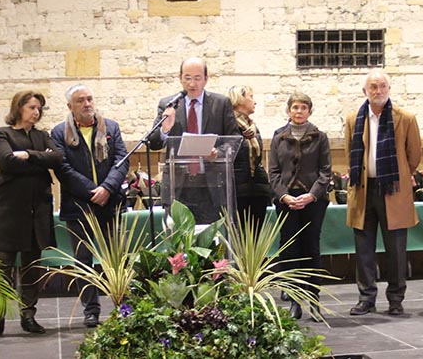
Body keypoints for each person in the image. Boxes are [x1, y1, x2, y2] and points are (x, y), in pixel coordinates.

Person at [0, 91, 63, 339]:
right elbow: (7, 162)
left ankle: (28, 316)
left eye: (39, 108)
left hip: (37, 211)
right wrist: (40, 163)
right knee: (3, 268)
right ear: (19, 108)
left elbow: (58, 158)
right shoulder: (3, 134)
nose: (36, 112)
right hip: (11, 212)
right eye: (31, 107)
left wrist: (28, 156)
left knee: (31, 267)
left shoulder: (42, 136)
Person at [51, 84, 128, 327]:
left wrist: (107, 188)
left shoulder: (111, 127)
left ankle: (123, 306)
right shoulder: (59, 133)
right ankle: (91, 311)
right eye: (81, 100)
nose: (87, 104)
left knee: (116, 258)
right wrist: (92, 191)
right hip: (79, 206)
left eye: (89, 98)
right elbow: (63, 168)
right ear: (70, 107)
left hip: (110, 203)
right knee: (83, 261)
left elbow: (121, 161)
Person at [345, 69, 421, 316]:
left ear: (389, 89)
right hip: (363, 190)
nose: (378, 91)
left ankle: (396, 299)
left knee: (396, 249)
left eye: (382, 87)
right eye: (373, 87)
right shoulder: (352, 118)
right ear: (364, 91)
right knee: (364, 248)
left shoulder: (405, 118)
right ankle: (366, 297)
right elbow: (349, 153)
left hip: (393, 190)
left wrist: (395, 176)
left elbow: (414, 156)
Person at [148, 56, 240, 223]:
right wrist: (165, 129)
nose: (192, 83)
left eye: (197, 78)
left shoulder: (220, 103)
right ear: (180, 78)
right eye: (187, 78)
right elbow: (153, 143)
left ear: (206, 79)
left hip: (212, 184)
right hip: (179, 186)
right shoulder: (168, 104)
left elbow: (234, 138)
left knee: (213, 241)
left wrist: (217, 153)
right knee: (179, 242)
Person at [269, 92, 332, 322]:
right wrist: (284, 196)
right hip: (286, 202)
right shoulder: (279, 138)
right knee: (289, 252)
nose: (298, 111)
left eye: (303, 108)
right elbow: (273, 173)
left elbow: (325, 172)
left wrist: (311, 195)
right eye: (295, 107)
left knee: (311, 250)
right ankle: (295, 301)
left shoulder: (320, 137)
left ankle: (314, 299)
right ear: (288, 111)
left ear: (309, 111)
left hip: (312, 201)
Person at [226, 85, 272, 229]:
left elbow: (256, 157)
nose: (255, 101)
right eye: (251, 97)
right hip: (237, 190)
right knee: (238, 236)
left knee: (256, 237)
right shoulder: (228, 125)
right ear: (239, 99)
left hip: (257, 188)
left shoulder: (252, 126)